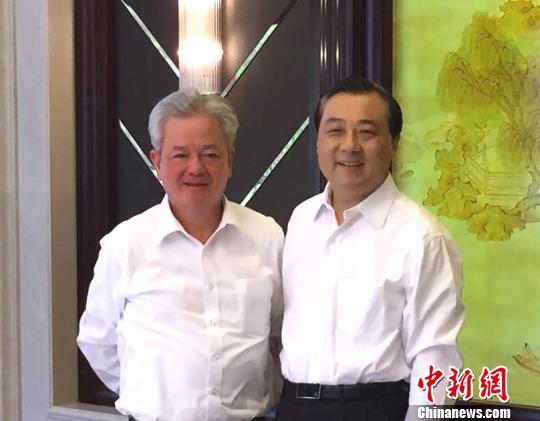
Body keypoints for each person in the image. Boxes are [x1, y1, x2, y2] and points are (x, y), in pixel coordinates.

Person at [77, 88, 284, 421]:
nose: (196, 168)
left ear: (230, 160)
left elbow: (279, 335)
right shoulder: (126, 244)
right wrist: (151, 395)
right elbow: (98, 342)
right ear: (157, 162)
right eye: (180, 155)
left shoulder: (267, 237)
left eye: (210, 154)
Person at [276, 76, 465, 421]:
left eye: (366, 132)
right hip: (294, 406)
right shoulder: (301, 220)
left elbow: (436, 357)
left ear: (394, 144)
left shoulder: (421, 237)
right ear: (317, 141)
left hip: (373, 409)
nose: (349, 146)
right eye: (335, 130)